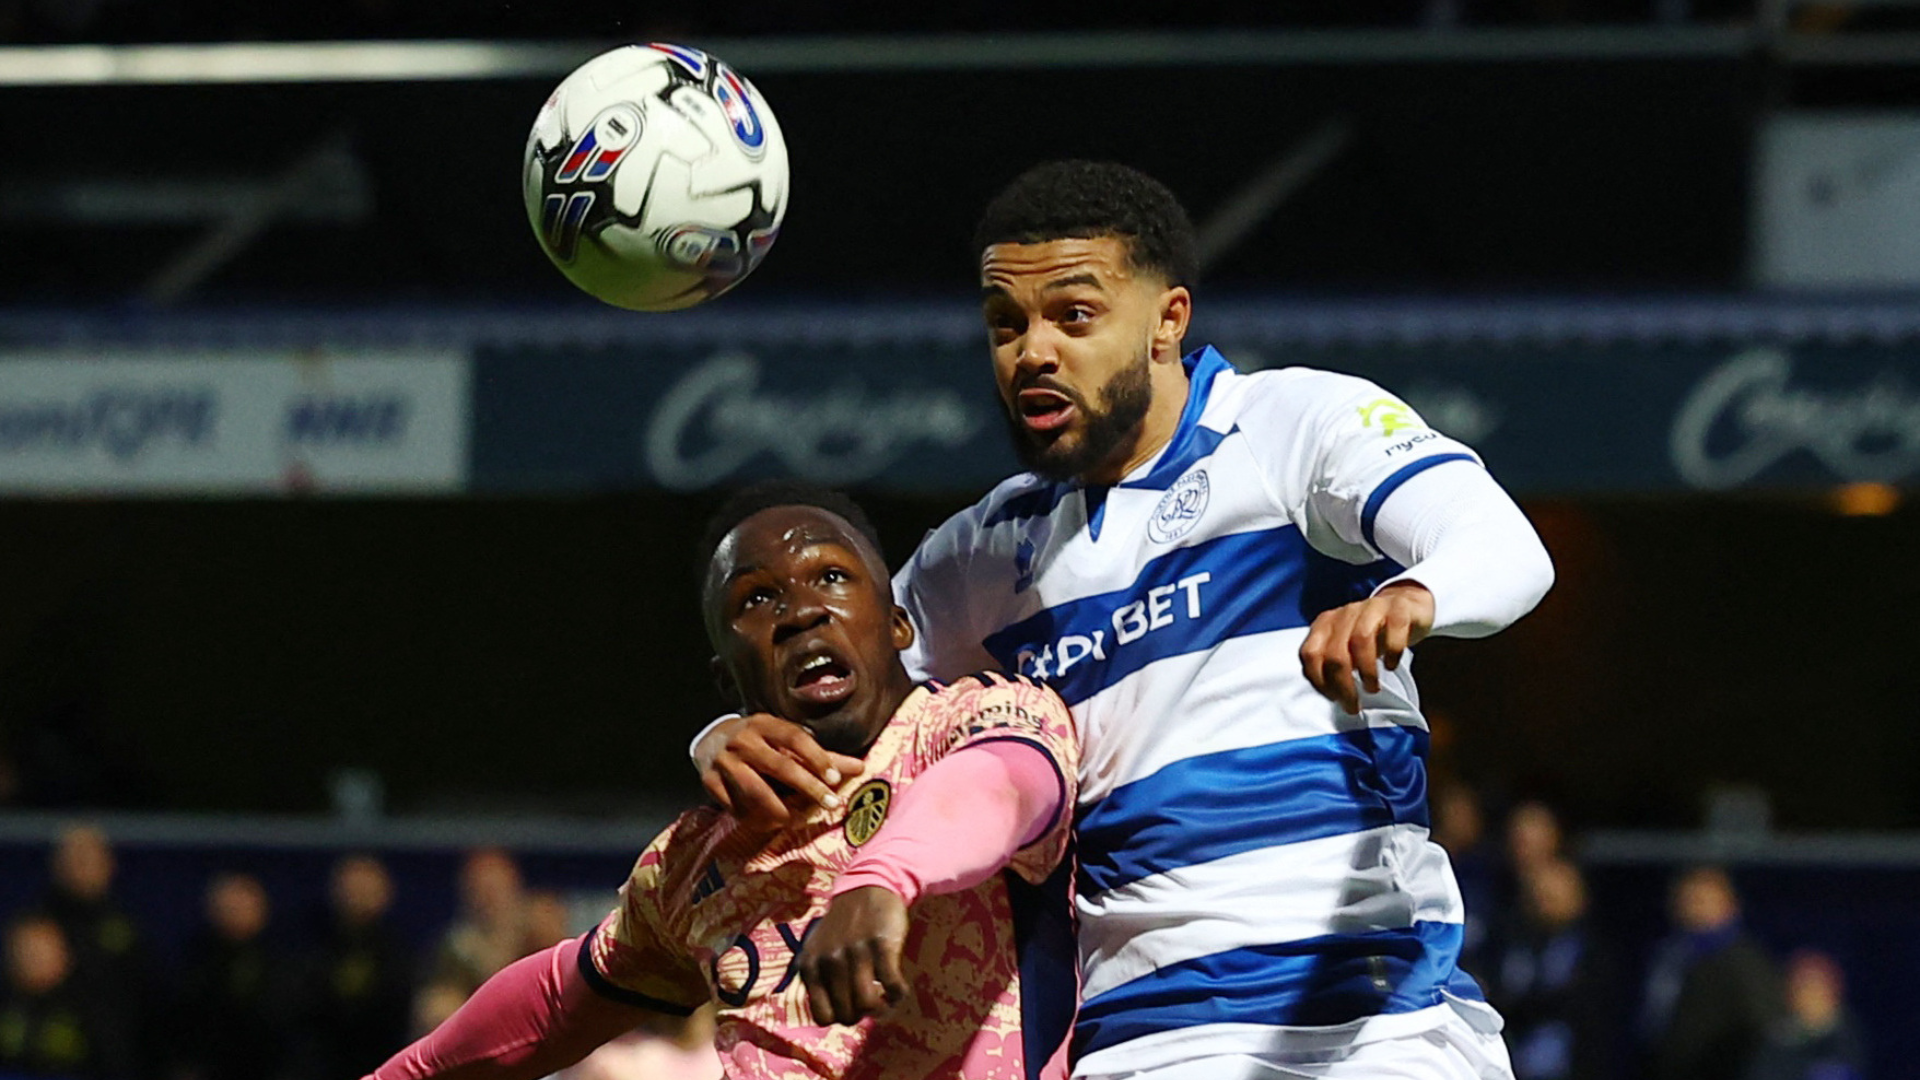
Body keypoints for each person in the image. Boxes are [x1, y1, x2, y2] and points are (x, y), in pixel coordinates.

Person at [697, 160, 1555, 1080]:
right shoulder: (982, 555)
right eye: (1006, 324)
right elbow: (833, 670)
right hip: (1138, 1048)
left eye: (1074, 316)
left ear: (1167, 321)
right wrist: (720, 735)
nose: (1033, 351)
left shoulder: (1288, 427)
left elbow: (1507, 550)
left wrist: (1411, 598)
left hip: (1373, 1030)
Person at [364, 484, 1080, 1080]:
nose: (801, 613)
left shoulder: (976, 721)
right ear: (725, 678)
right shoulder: (700, 857)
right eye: (757, 600)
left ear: (897, 624)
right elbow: (557, 1000)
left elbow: (1004, 786)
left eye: (832, 577)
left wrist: (880, 879)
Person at [1639, 865, 1781, 1080]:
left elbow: (1763, 1030)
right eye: (1686, 899)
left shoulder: (1744, 963)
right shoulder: (1669, 955)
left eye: (1702, 900)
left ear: (1729, 906)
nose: (1693, 909)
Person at [1488, 858, 1618, 1080]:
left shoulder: (1596, 955)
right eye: (1538, 896)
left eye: (1554, 897)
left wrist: (1524, 1005)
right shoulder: (1506, 946)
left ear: (1579, 899)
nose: (1544, 904)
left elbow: (1587, 1014)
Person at [292, 855, 414, 1080]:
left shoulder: (400, 953)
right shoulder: (314, 950)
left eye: (367, 889)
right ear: (336, 891)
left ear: (385, 893)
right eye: (351, 889)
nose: (358, 897)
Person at [174, 871, 295, 1080]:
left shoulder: (283, 964)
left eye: (242, 907)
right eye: (228, 908)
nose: (234, 914)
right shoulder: (196, 963)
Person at [0, 913, 138, 1079]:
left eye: (41, 950)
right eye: (23, 950)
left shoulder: (91, 1004)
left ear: (63, 954)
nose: (32, 959)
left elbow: (116, 1065)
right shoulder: (6, 1002)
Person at [1744, 950, 1866, 1080]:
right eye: (1803, 987)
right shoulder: (1775, 1042)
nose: (1810, 996)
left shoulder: (1846, 1040)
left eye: (1817, 986)